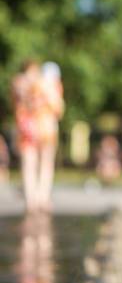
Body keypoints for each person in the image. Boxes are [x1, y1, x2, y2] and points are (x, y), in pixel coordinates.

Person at [12, 60, 64, 213]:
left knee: (37, 164)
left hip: (41, 130)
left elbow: (57, 109)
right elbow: (57, 109)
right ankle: (35, 198)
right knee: (35, 163)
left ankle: (38, 198)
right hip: (35, 130)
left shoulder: (40, 86)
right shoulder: (30, 85)